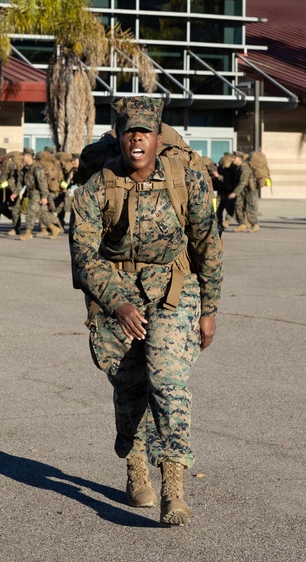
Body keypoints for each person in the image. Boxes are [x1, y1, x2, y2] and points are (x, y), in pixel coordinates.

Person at [70, 96, 223, 527]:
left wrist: (208, 308)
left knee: (168, 379)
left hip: (174, 287)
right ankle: (135, 461)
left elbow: (207, 243)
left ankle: (173, 484)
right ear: (119, 138)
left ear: (158, 137)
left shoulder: (187, 179)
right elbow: (84, 257)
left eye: (145, 131)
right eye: (129, 131)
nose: (137, 138)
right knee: (130, 385)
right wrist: (116, 303)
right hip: (116, 291)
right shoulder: (96, 187)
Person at [228, 152, 258, 232]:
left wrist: (235, 192)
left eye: (235, 158)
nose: (233, 159)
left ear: (240, 159)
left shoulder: (245, 168)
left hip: (249, 191)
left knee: (250, 209)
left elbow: (243, 182)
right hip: (242, 191)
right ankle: (242, 224)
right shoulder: (238, 168)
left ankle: (255, 225)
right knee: (238, 206)